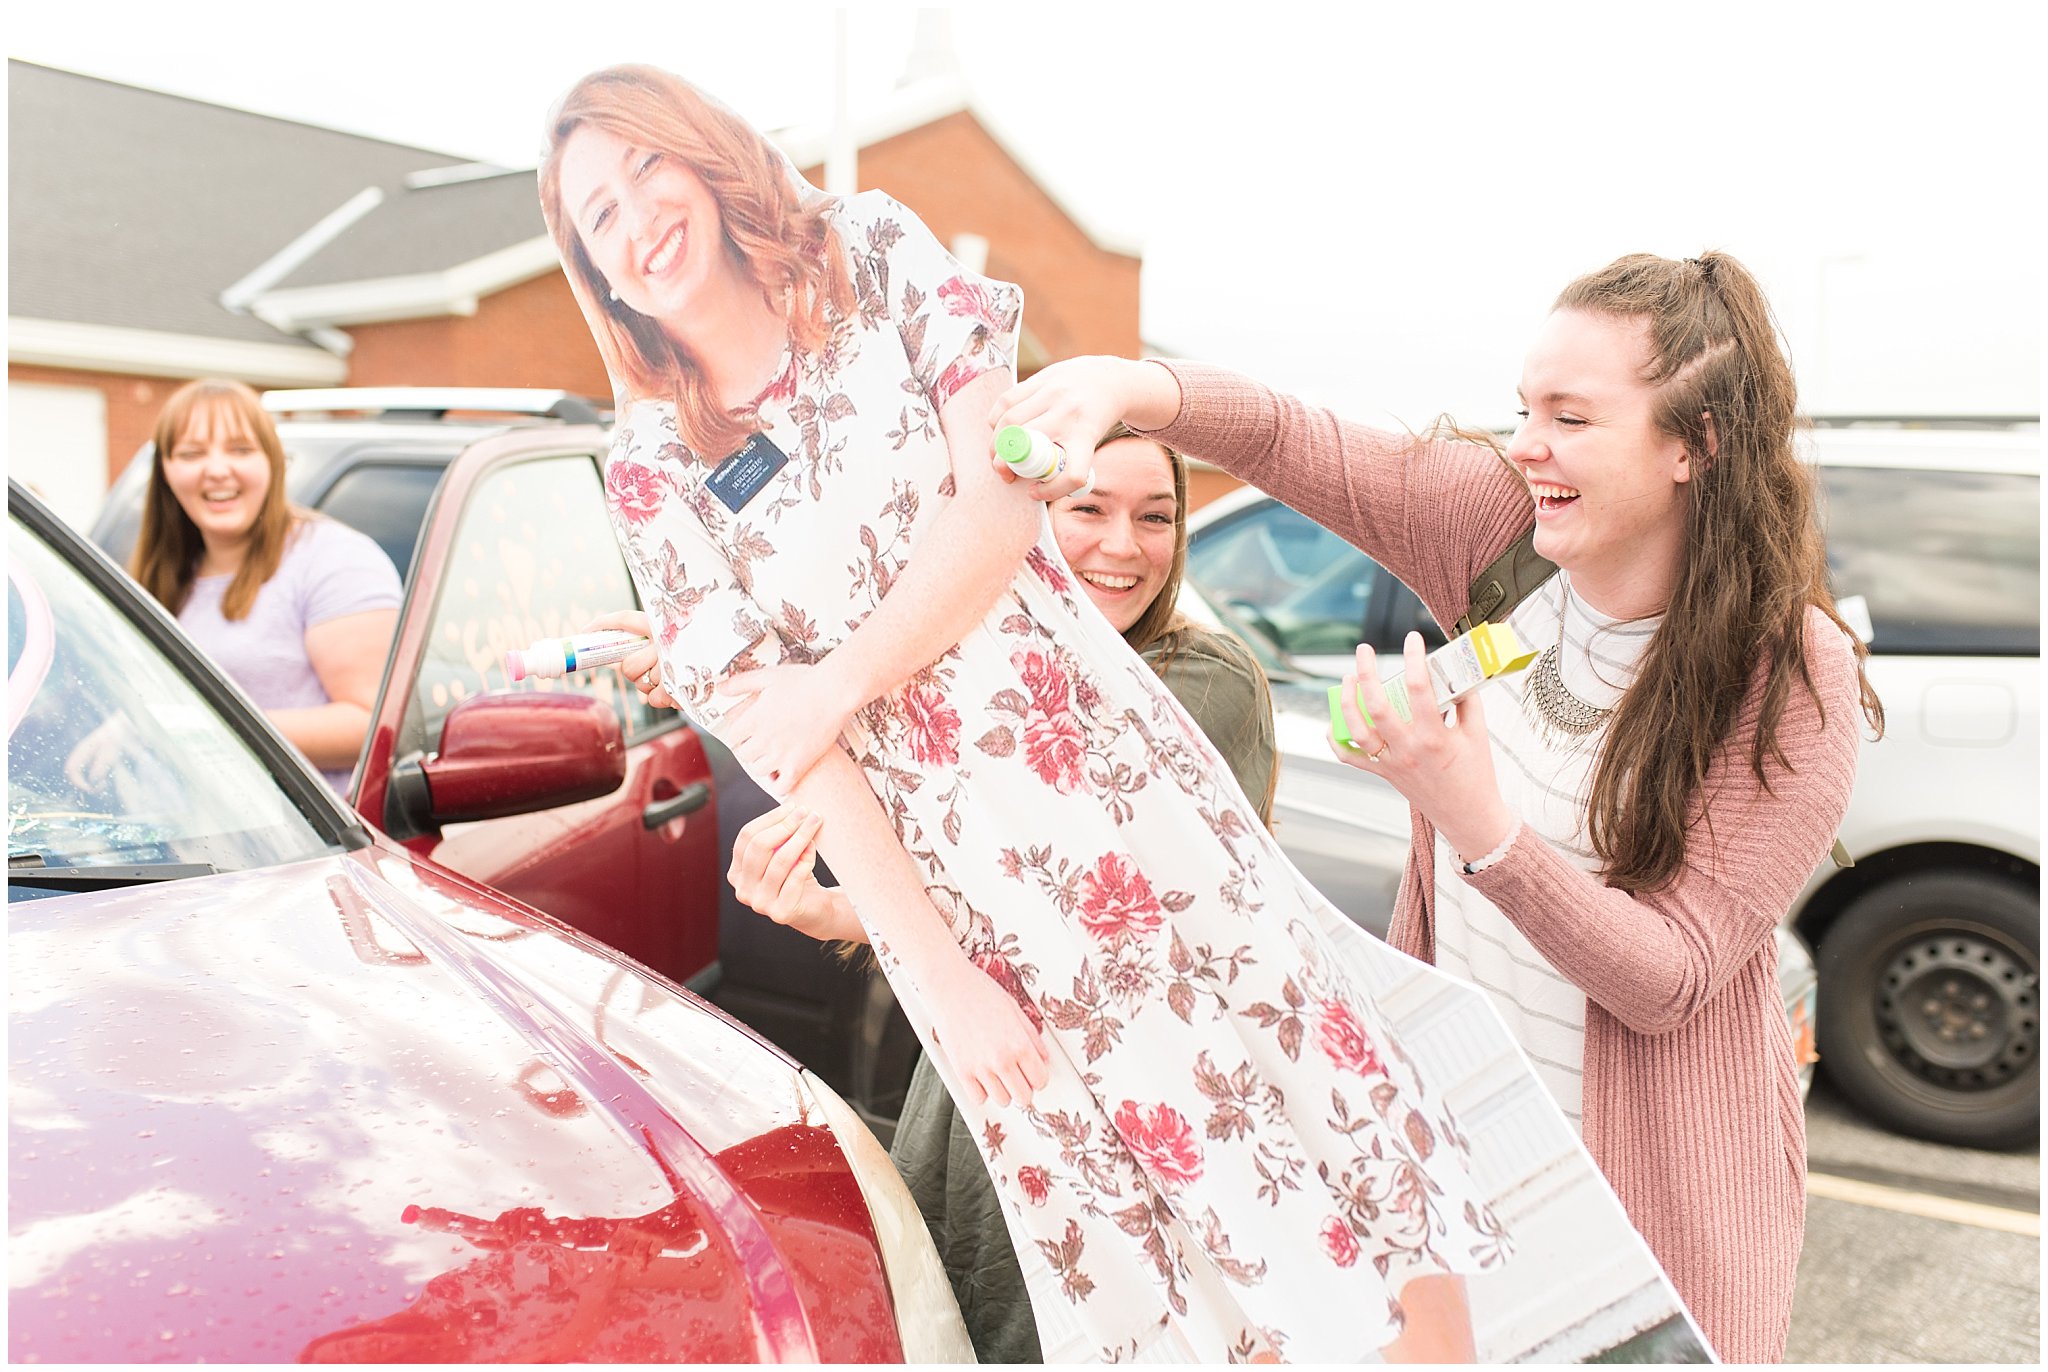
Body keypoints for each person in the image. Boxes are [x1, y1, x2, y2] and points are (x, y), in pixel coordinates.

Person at [541, 63, 1500, 1362]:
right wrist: (934, 968)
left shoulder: (868, 251)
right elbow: (793, 744)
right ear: (589, 266)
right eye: (594, 214)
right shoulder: (653, 462)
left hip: (1110, 766)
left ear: (701, 155)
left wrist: (835, 677)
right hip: (954, 867)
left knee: (1304, 1112)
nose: (633, 216)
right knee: (1125, 1237)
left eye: (644, 168)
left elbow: (1002, 505)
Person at [992, 250, 1880, 1363]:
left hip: (1640, 1203)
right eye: (1523, 408)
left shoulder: (1788, 675)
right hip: (1450, 1150)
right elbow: (1288, 439)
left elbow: (1672, 978)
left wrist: (1473, 818)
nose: (1525, 445)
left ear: (1691, 444)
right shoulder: (1498, 528)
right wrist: (1126, 389)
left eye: (1569, 416)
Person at [710, 428, 1276, 1361]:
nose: (1124, 545)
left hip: (1125, 1117)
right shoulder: (968, 672)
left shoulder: (1201, 686)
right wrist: (827, 912)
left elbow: (1083, 914)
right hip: (977, 1077)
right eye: (1087, 508)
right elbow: (977, 911)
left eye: (1156, 517)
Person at [123, 378, 401, 793]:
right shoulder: (163, 574)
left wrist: (192, 727)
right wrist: (122, 729)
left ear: (273, 461)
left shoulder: (335, 560)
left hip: (299, 844)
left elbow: (372, 724)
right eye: (191, 453)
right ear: (165, 470)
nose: (217, 469)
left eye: (240, 449)